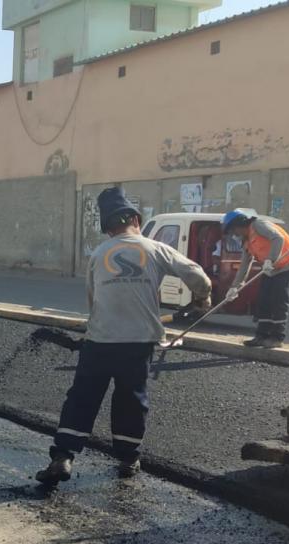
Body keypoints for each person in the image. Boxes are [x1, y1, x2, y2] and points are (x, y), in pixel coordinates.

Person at [36, 187, 210, 485]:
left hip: (100, 341)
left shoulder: (99, 254)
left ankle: (62, 456)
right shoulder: (155, 249)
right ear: (136, 219)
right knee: (131, 399)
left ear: (107, 227)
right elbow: (198, 277)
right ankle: (128, 458)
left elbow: (94, 303)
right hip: (138, 343)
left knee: (82, 397)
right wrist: (202, 298)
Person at [221, 208, 289, 348]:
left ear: (240, 224)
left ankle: (277, 337)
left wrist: (270, 260)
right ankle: (261, 336)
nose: (234, 234)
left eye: (233, 230)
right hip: (272, 269)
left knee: (278, 299)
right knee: (263, 300)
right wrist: (235, 287)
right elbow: (244, 265)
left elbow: (278, 238)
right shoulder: (246, 240)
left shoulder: (258, 225)